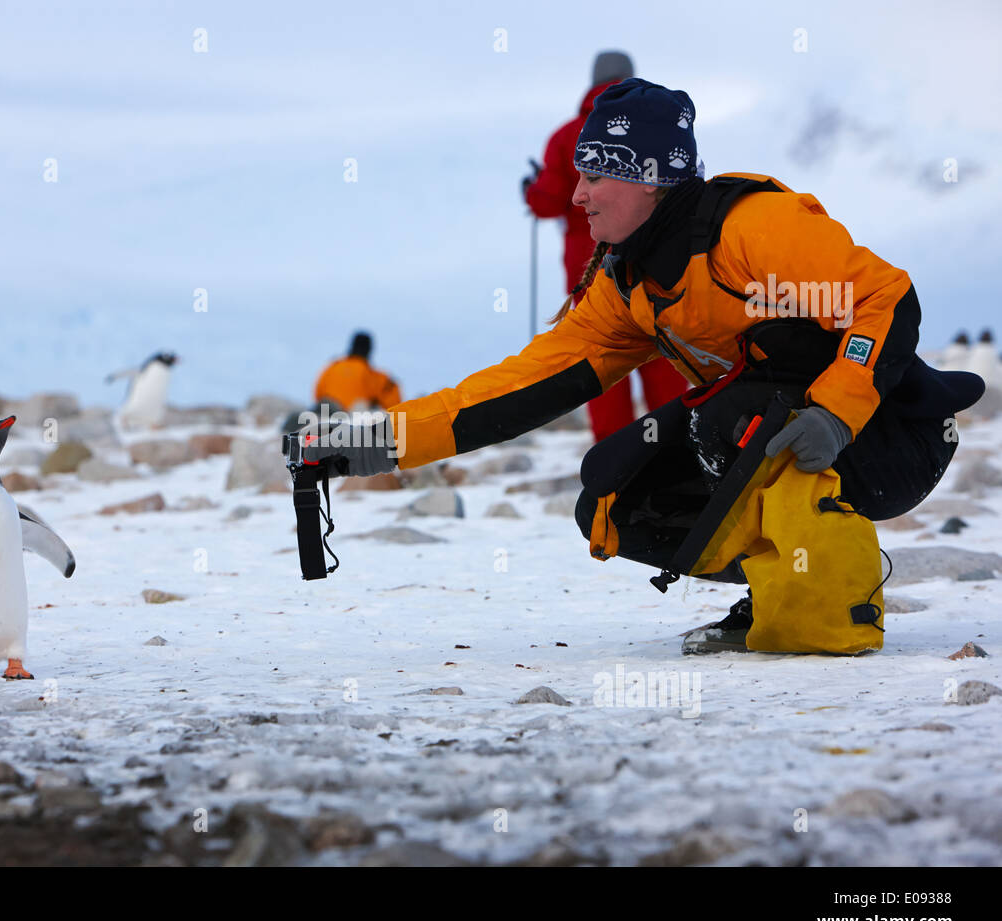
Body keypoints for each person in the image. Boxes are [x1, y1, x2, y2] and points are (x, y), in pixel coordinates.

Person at [295, 78, 983, 654]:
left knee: (732, 419)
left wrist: (838, 410)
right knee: (609, 492)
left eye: (595, 175)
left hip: (894, 435)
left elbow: (885, 297)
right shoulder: (625, 287)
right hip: (780, 425)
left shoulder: (747, 229)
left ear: (647, 178)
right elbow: (510, 392)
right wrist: (367, 446)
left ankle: (827, 613)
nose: (577, 195)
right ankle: (778, 590)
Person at [523, 51, 687, 441]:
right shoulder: (657, 131)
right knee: (661, 351)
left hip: (591, 268)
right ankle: (672, 453)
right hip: (657, 260)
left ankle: (613, 467)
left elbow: (548, 201)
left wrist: (531, 191)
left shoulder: (568, 136)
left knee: (603, 360)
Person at [313, 332, 402, 412]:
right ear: (369, 350)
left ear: (352, 346)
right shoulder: (373, 375)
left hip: (327, 412)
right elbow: (393, 403)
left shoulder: (332, 367)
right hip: (353, 419)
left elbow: (317, 393)